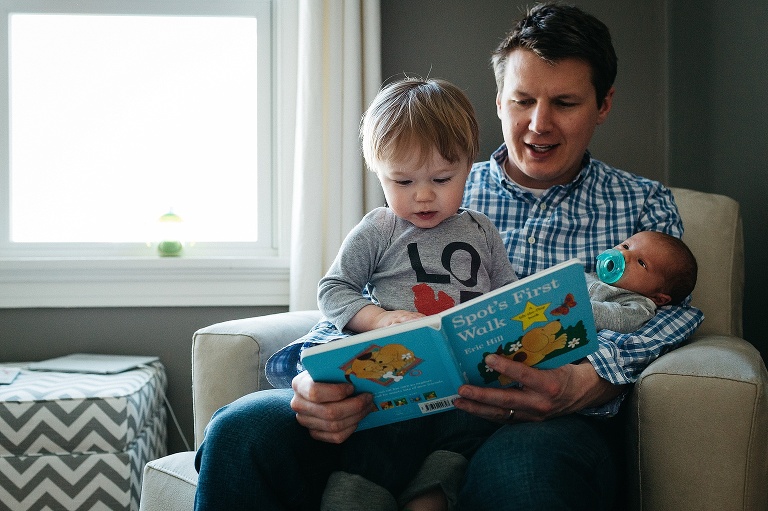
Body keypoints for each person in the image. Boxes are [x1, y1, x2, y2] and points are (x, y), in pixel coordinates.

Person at [194, 3, 704, 510]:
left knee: (522, 475)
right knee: (243, 430)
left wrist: (589, 379)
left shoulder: (642, 205)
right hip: (396, 400)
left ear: (604, 104)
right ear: (499, 100)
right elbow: (370, 290)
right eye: (522, 100)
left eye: (565, 103)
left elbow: (674, 313)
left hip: (542, 421)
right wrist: (317, 377)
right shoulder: (432, 181)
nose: (538, 123)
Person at [196, 77, 517, 511]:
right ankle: (355, 497)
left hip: (462, 386)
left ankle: (430, 494)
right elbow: (333, 288)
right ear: (379, 173)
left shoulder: (481, 231)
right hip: (392, 378)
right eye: (402, 182)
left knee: (470, 427)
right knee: (386, 432)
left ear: (468, 163)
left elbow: (509, 298)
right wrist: (379, 319)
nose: (422, 195)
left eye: (442, 178)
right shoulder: (381, 227)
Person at [588, 230, 698, 333]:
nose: (624, 254)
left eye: (641, 263)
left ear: (658, 298)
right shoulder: (592, 276)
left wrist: (578, 311)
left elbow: (614, 317)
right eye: (625, 246)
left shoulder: (640, 307)